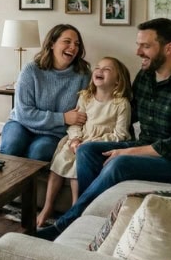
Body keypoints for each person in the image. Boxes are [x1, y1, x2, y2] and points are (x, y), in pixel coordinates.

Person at [37, 18, 171, 240]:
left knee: (120, 162)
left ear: (169, 48)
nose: (137, 51)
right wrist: (91, 116)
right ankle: (89, 217)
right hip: (147, 146)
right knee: (87, 150)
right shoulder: (146, 76)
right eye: (138, 44)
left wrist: (126, 151)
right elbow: (127, 113)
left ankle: (66, 222)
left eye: (146, 46)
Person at [36, 56, 132, 227]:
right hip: (79, 140)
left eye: (107, 69)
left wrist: (96, 141)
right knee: (60, 162)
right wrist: (75, 139)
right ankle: (47, 206)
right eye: (98, 67)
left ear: (117, 81)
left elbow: (121, 134)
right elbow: (76, 123)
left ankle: (76, 209)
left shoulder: (121, 104)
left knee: (77, 167)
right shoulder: (85, 97)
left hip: (98, 145)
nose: (100, 71)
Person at [0, 24, 92, 162]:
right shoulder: (31, 70)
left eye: (77, 44)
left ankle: (27, 183)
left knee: (38, 153)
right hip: (21, 124)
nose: (73, 47)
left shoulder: (83, 75)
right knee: (12, 146)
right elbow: (24, 113)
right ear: (52, 44)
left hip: (53, 133)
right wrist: (63, 118)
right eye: (67, 41)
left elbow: (80, 113)